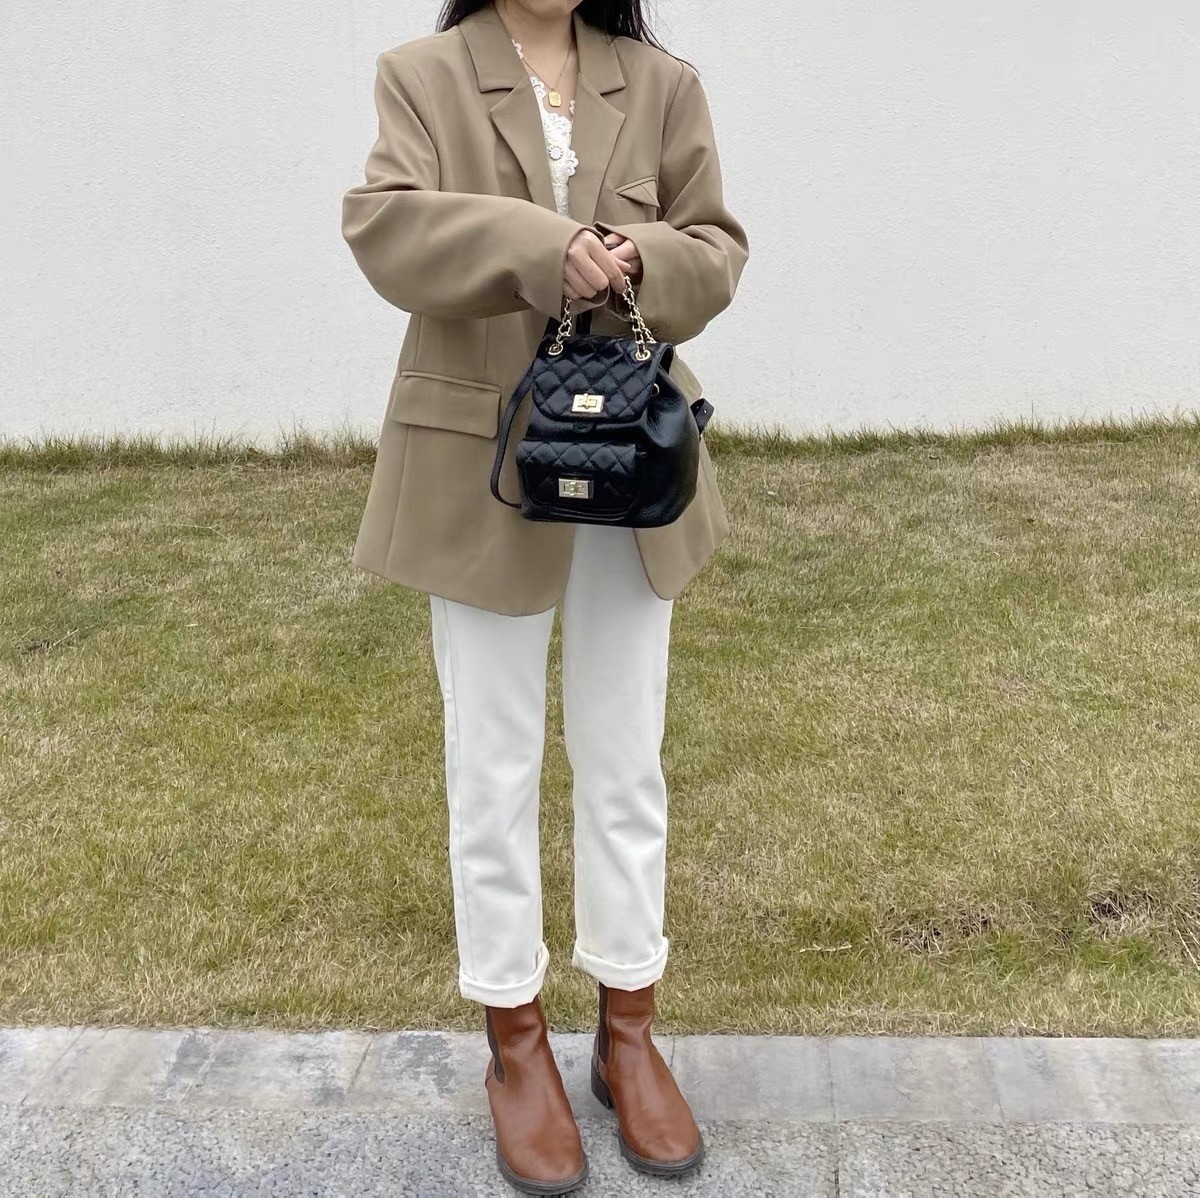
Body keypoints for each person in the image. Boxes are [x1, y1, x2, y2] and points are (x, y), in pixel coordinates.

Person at [341, 0, 748, 1191]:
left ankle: (630, 1032)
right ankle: (514, 1042)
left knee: (626, 758)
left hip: (630, 454)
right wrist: (543, 244)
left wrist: (642, 259)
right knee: (494, 762)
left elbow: (717, 246)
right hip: (479, 464)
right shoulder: (421, 73)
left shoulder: (662, 82)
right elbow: (385, 228)